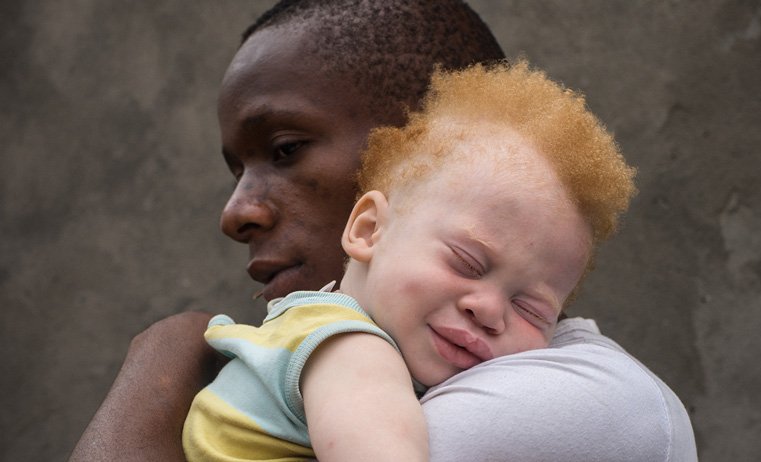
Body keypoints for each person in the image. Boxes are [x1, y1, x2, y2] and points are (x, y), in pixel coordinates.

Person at [71, 1, 698, 461]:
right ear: (371, 223)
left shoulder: (591, 401)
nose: (236, 214)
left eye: (286, 149)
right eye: (467, 262)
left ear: (408, 142)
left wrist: (164, 356)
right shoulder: (339, 345)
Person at [182, 61, 636, 461]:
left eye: (531, 309)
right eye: (466, 263)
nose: (490, 309)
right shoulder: (350, 349)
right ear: (368, 230)